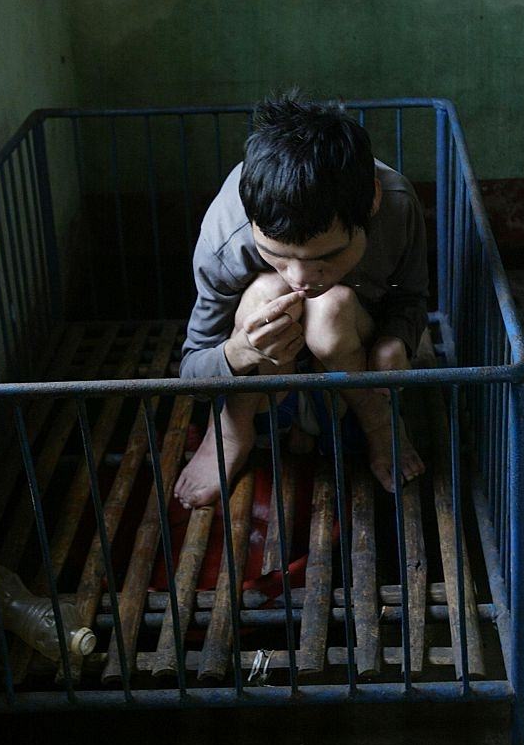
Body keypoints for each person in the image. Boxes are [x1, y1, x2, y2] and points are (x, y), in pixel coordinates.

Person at [174, 93, 429, 509]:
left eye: (326, 257)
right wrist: (240, 350)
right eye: (276, 254)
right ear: (252, 221)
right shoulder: (227, 233)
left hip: (355, 364)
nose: (301, 279)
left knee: (330, 306)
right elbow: (192, 372)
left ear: (372, 202)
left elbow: (413, 297)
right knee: (267, 293)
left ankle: (381, 425)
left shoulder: (397, 206)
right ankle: (231, 430)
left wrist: (393, 343)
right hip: (267, 382)